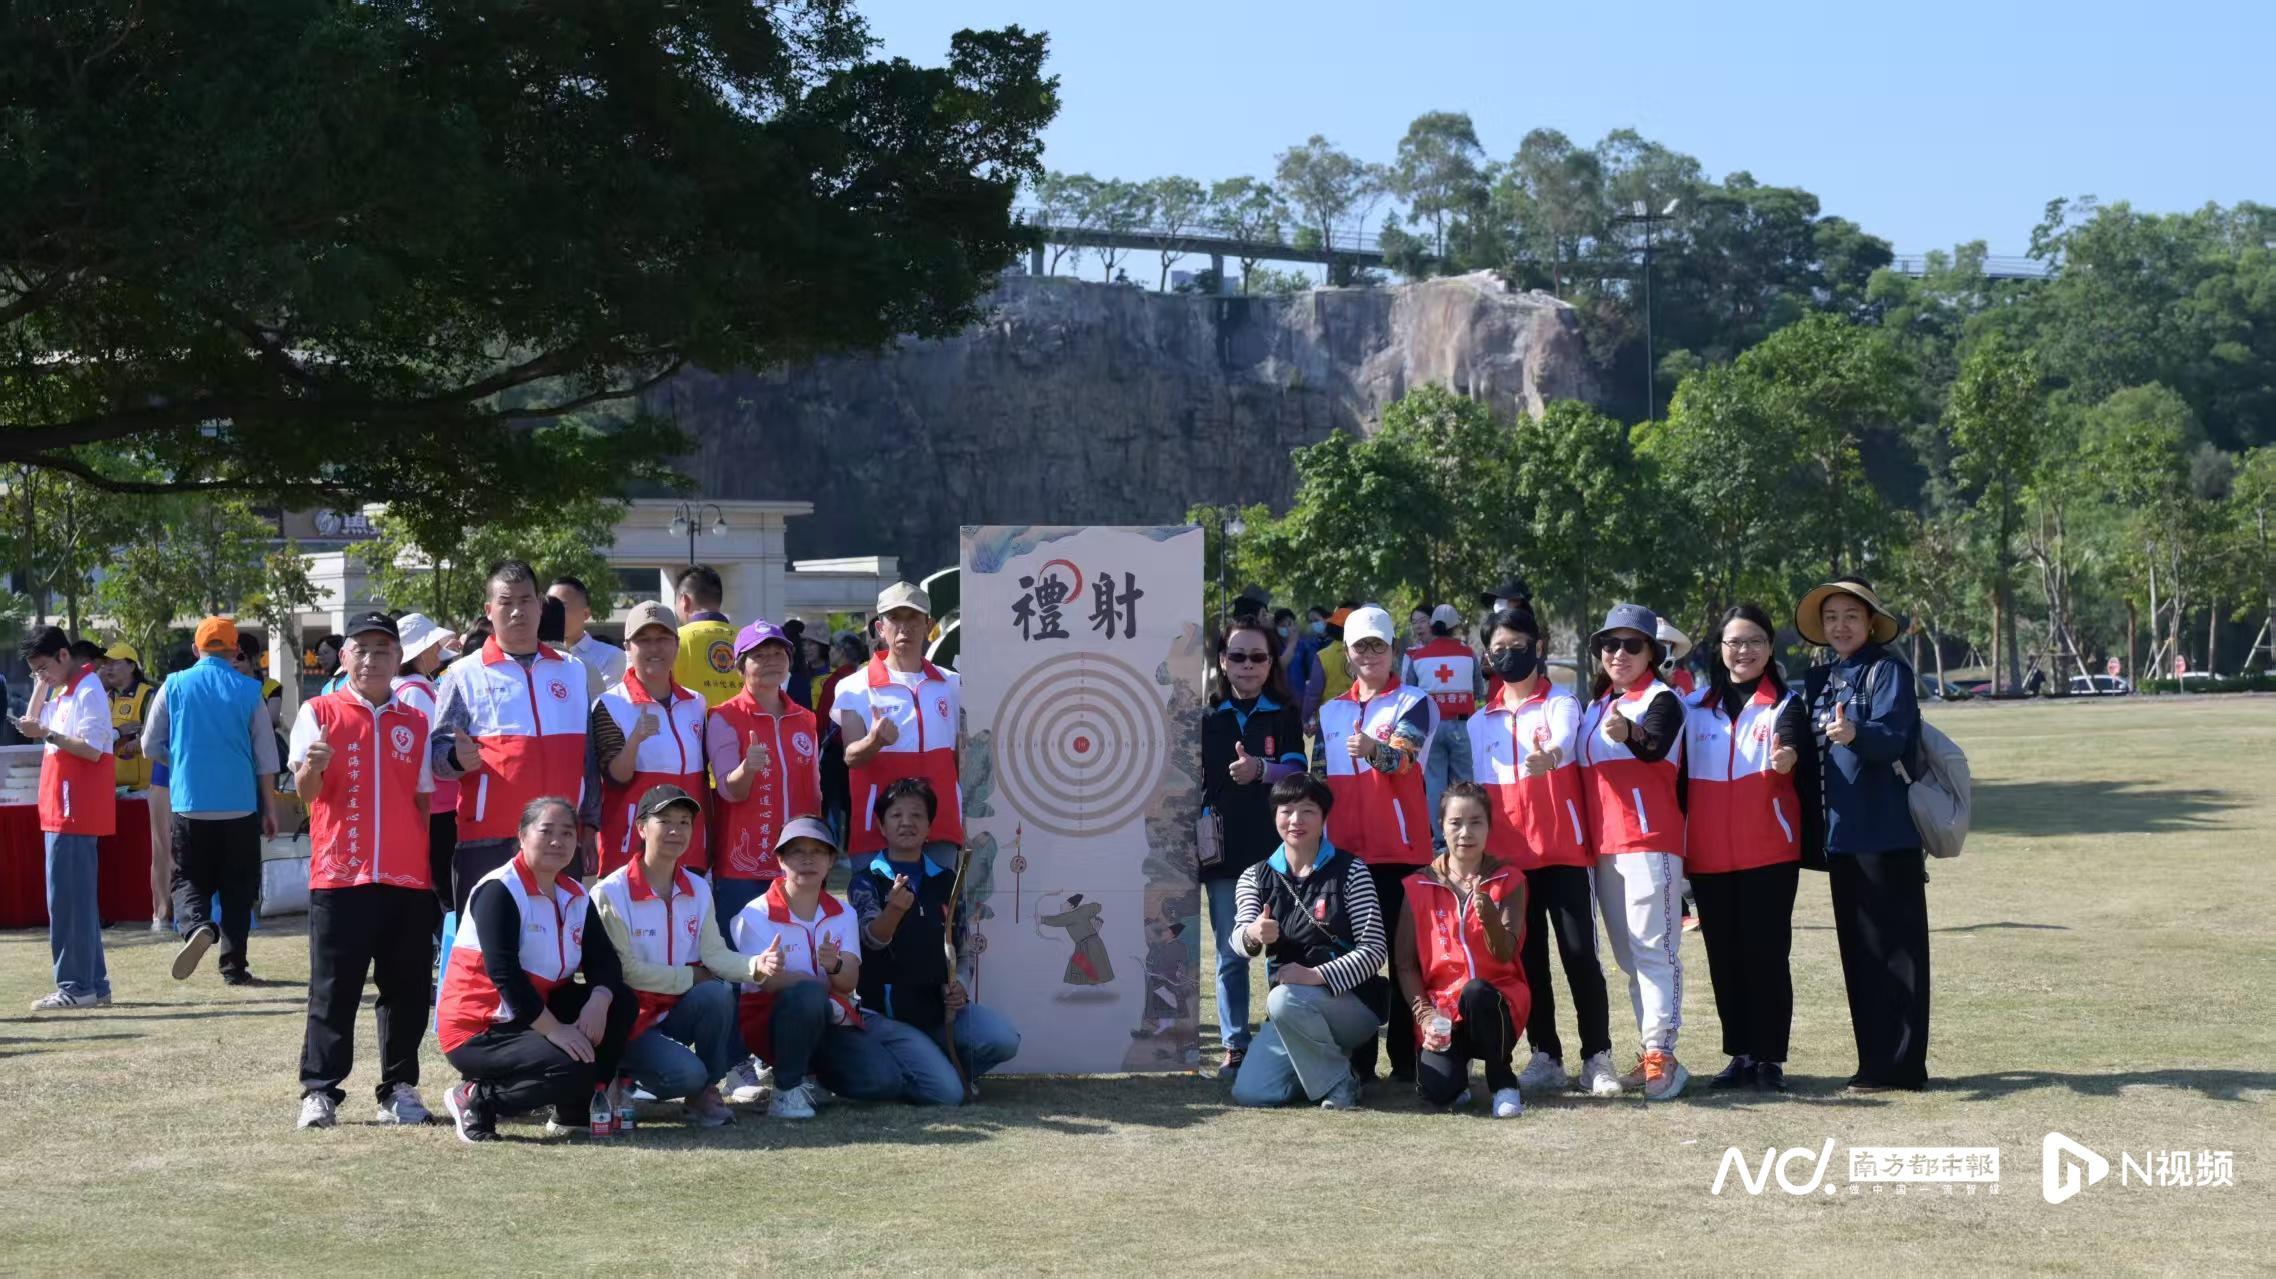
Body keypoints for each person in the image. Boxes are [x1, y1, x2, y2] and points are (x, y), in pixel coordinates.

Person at [287, 613, 440, 1130]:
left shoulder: (415, 721)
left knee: (407, 989)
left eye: (383, 649)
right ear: (345, 656)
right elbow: (306, 794)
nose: (373, 659)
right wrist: (313, 767)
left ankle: (398, 1089)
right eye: (362, 649)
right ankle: (320, 1090)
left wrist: (421, 863)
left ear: (398, 658)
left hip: (405, 877)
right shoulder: (318, 711)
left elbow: (423, 798)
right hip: (340, 875)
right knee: (334, 988)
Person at [1468, 607, 1620, 1097]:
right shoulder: (1478, 721)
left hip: (1563, 853)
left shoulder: (1561, 702)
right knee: (1527, 961)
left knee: (1579, 956)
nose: (1508, 656)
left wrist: (1549, 757)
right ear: (1486, 655)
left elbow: (1565, 742)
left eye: (1518, 646)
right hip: (1509, 862)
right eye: (1498, 649)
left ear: (1538, 646)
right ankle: (1545, 1054)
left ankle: (1597, 1056)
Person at [731, 818, 971, 1112]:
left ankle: (815, 1079)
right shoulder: (755, 914)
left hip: (832, 1020)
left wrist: (834, 966)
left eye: (818, 851)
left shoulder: (843, 913)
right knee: (808, 995)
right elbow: (768, 982)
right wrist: (821, 983)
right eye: (796, 852)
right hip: (773, 1023)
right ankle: (786, 1090)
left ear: (831, 861)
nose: (807, 859)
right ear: (780, 860)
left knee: (883, 1082)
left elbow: (848, 982)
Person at [436, 797, 636, 1143]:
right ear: (522, 835)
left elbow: (604, 961)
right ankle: (475, 1099)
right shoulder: (500, 889)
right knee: (574, 1065)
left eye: (567, 833)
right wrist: (555, 1030)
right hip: (481, 1026)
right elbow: (505, 975)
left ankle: (575, 1110)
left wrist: (599, 1000)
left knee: (621, 1001)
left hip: (532, 1012)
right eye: (546, 831)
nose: (557, 841)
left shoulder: (575, 893)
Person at [1797, 577, 1929, 1092]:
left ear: (1871, 622)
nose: (1840, 626)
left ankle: (1903, 1067)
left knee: (1899, 955)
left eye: (1851, 616)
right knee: (1860, 955)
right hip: (1841, 838)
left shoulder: (1888, 670)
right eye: (1831, 617)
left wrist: (1857, 733)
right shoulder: (1822, 678)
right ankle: (1873, 1061)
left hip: (1887, 834)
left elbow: (1895, 737)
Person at [594, 784, 782, 1127]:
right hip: (628, 1019)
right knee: (686, 1074)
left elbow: (714, 953)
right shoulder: (610, 892)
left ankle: (704, 1093)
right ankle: (617, 1073)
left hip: (675, 1010)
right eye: (665, 821)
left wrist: (756, 964)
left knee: (717, 994)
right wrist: (690, 976)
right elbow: (625, 971)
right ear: (641, 828)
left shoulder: (697, 887)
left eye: (684, 822)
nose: (676, 830)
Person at [1684, 603, 1815, 1095]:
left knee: (1767, 956)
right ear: (1720, 649)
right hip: (1708, 855)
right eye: (1735, 642)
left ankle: (1769, 1058)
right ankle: (1740, 1054)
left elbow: (1791, 744)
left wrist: (1786, 758)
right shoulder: (1694, 706)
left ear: (1770, 647)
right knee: (1725, 957)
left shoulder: (1786, 704)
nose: (1744, 650)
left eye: (1755, 640)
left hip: (1769, 853)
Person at [430, 560, 600, 915]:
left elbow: (588, 756)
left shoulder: (572, 671)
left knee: (557, 943)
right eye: (506, 602)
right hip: (489, 840)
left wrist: (589, 825)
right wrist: (456, 759)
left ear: (540, 605)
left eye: (526, 601)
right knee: (488, 944)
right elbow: (437, 754)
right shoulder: (463, 673)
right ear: (489, 610)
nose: (517, 611)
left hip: (559, 838)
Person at [1575, 603, 1690, 1101]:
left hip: (1649, 842)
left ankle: (1662, 1053)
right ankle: (1650, 1052)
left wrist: (1630, 733)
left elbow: (1655, 745)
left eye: (1631, 645)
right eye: (1609, 644)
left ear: (1652, 653)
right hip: (1604, 847)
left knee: (1653, 951)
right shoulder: (1596, 705)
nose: (1618, 653)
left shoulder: (1662, 700)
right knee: (1628, 956)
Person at [1317, 604, 1434, 1085]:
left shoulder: (1415, 701)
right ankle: (1359, 1061)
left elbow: (1403, 760)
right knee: (1354, 959)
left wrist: (1372, 749)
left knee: (1406, 958)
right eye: (1359, 646)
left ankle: (1407, 1060)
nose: (1369, 654)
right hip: (1345, 856)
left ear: (1393, 650)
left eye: (1377, 645)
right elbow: (1319, 783)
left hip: (1401, 855)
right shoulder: (1330, 711)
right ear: (1346, 653)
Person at [846, 778, 1021, 1092]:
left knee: (1004, 1040)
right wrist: (893, 911)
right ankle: (926, 1071)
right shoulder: (866, 880)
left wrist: (959, 985)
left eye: (917, 815)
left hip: (940, 1011)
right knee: (948, 1094)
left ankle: (935, 1065)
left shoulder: (947, 880)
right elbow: (870, 940)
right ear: (882, 826)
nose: (907, 822)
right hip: (888, 1015)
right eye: (896, 815)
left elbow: (962, 949)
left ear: (929, 827)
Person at [1226, 774, 1388, 1110]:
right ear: (1274, 816)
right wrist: (1253, 934)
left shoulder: (1352, 870)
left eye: (1308, 811)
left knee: (1283, 998)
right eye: (1286, 811)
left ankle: (1341, 1084)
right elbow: (1238, 940)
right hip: (1292, 1012)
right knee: (1252, 1093)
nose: (1295, 820)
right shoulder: (1254, 876)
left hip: (1352, 1005)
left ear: (1324, 817)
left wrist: (1315, 976)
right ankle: (1332, 1065)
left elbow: (1374, 951)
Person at [1198, 618, 1307, 1079]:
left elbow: (1298, 773)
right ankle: (1235, 1046)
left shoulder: (1285, 713)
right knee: (1231, 953)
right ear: (1223, 662)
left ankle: (1281, 1041)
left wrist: (1261, 769)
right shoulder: (1205, 717)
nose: (1248, 665)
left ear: (1270, 663)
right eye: (1238, 656)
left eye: (1258, 656)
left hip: (1277, 853)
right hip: (1222, 853)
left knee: (1280, 950)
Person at [149, 616, 283, 986]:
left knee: (188, 877)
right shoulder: (250, 690)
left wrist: (178, 760)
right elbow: (266, 756)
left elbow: (149, 744)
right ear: (235, 650)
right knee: (238, 889)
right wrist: (270, 808)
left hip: (190, 802)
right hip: (240, 804)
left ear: (196, 649)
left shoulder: (173, 685)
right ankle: (234, 967)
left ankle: (196, 925)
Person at [1395, 781, 1529, 1116]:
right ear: (1441, 826)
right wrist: (1425, 1016)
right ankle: (1458, 1073)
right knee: (1437, 1092)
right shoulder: (1418, 883)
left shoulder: (1509, 879)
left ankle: (1503, 1082)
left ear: (1489, 827)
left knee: (1476, 991)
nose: (1465, 832)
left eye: (1476, 822)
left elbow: (1505, 953)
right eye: (1455, 823)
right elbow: (1405, 964)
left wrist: (1490, 919)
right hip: (1443, 1012)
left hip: (1495, 1002)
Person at [19, 627, 117, 1011]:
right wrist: (40, 685)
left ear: (64, 655)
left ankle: (76, 985)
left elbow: (92, 749)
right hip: (62, 808)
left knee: (67, 902)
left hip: (74, 809)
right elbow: (32, 722)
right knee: (76, 901)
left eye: (44, 668)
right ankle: (93, 983)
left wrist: (49, 734)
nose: (42, 676)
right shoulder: (65, 691)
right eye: (35, 672)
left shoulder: (88, 689)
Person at [834, 581, 961, 861]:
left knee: (940, 892)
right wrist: (874, 741)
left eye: (913, 618)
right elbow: (851, 757)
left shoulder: (952, 684)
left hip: (940, 826)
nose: (905, 627)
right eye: (895, 618)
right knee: (878, 893)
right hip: (877, 829)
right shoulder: (853, 686)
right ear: (881, 628)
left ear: (928, 626)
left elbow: (961, 758)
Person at [708, 620, 821, 923]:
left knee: (796, 943)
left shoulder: (805, 719)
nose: (771, 660)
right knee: (740, 946)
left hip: (798, 861)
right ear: (740, 667)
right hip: (743, 866)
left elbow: (815, 792)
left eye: (778, 654)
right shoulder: (724, 717)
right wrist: (747, 768)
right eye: (759, 655)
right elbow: (729, 791)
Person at [589, 602, 709, 878]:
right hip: (631, 846)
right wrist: (635, 740)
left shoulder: (696, 702)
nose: (654, 648)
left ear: (676, 644)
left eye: (663, 638)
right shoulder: (609, 704)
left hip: (688, 843)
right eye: (643, 640)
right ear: (627, 647)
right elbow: (616, 776)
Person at [389, 613, 460, 914]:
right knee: (443, 885)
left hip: (432, 802)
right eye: (432, 644)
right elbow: (428, 750)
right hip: (438, 804)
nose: (437, 650)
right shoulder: (415, 691)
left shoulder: (404, 688)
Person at [1403, 602, 1483, 848]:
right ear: (1455, 626)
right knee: (1464, 782)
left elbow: (1410, 692)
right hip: (1462, 726)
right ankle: (1466, 831)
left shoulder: (1418, 657)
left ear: (1433, 625)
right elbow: (1479, 689)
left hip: (1431, 728)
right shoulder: (1468, 653)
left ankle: (1440, 838)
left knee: (1434, 782)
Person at [548, 576, 625, 706]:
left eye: (560, 607)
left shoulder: (612, 657)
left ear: (586, 614)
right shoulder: (535, 656)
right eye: (548, 607)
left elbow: (602, 707)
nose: (552, 614)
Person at [672, 563, 740, 708]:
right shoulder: (747, 640)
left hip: (692, 722)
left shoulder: (673, 640)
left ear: (684, 601)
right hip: (744, 722)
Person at [101, 642, 154, 793]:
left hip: (140, 790)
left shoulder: (147, 695)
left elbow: (157, 735)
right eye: (107, 663)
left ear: (131, 667)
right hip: (109, 787)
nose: (109, 668)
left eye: (115, 662)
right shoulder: (104, 698)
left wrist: (139, 742)